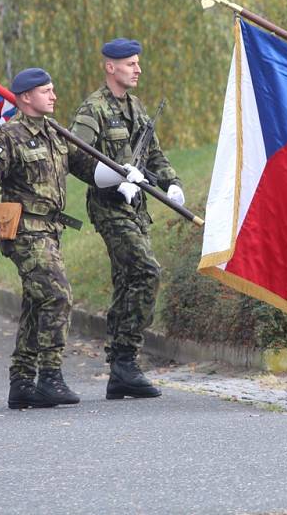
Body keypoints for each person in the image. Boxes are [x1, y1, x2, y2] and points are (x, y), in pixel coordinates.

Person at [0, 68, 100, 409]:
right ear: (26, 97)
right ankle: (50, 377)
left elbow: (87, 167)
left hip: (50, 230)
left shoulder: (55, 134)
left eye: (53, 89)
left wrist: (121, 177)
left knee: (37, 301)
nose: (54, 96)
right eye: (47, 91)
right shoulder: (7, 137)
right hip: (22, 230)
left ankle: (22, 381)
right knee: (57, 295)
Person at [69, 38, 184, 400]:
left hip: (136, 207)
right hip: (109, 205)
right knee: (146, 271)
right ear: (110, 67)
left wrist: (173, 183)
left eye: (137, 63)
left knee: (126, 280)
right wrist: (111, 175)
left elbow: (154, 154)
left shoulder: (137, 107)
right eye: (130, 64)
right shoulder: (94, 108)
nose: (137, 69)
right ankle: (126, 362)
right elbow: (75, 156)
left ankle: (121, 366)